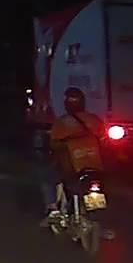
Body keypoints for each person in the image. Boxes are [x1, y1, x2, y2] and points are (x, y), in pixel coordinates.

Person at [39, 87, 105, 227]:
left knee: (47, 178)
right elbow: (104, 139)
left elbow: (53, 144)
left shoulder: (62, 122)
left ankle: (53, 211)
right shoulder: (95, 120)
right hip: (96, 166)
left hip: (71, 167)